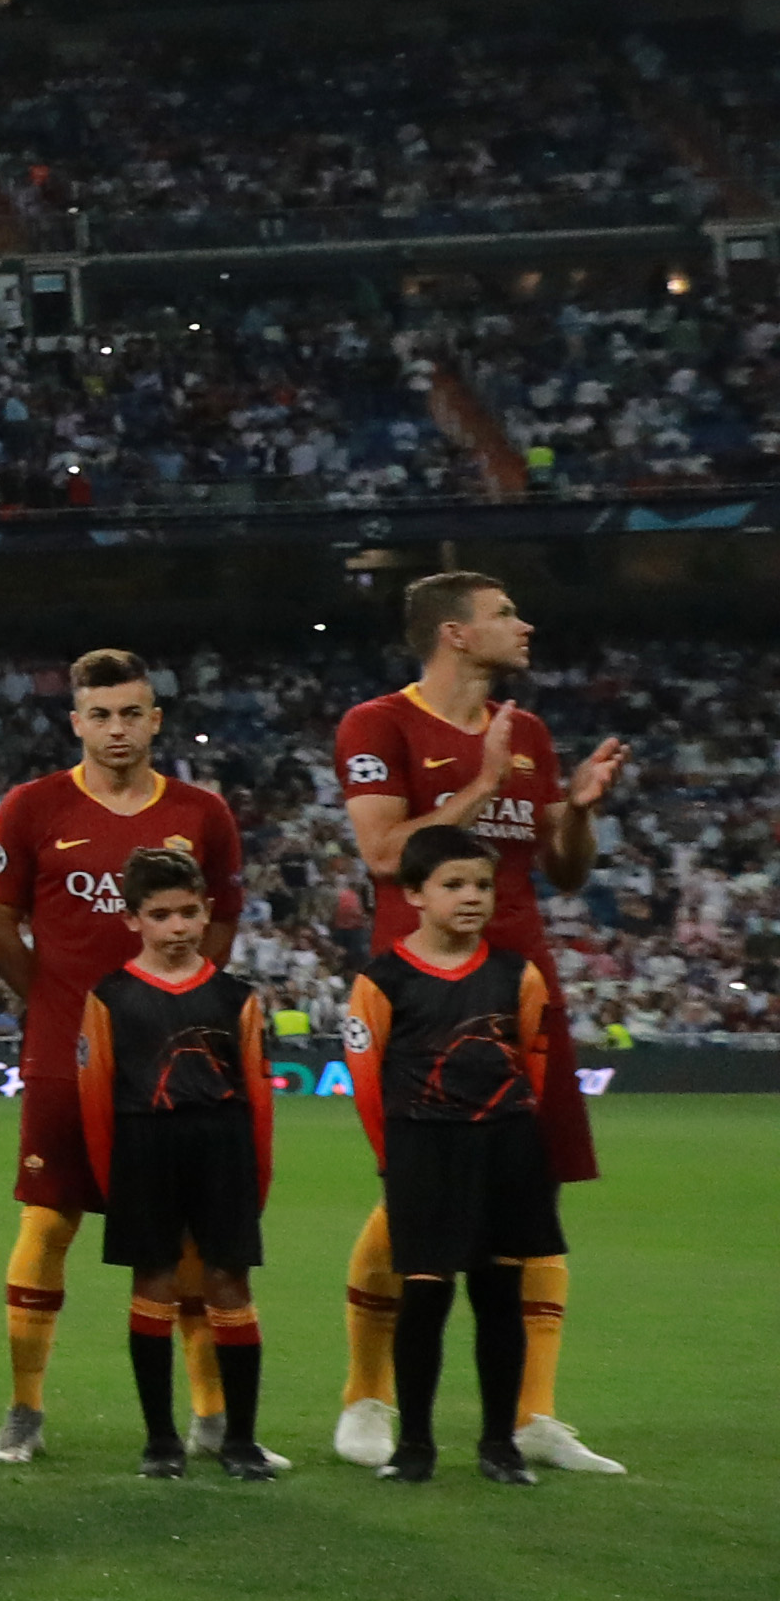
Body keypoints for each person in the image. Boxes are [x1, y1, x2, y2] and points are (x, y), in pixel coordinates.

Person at [329, 574, 623, 1476]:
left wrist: (571, 811)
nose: (524, 624)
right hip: (418, 989)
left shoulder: (527, 729)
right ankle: (367, 1399)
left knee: (536, 1188)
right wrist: (484, 782)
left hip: (520, 982)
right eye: (505, 615)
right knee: (410, 1195)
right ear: (455, 634)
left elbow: (563, 873)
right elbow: (384, 856)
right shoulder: (378, 725)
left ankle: (533, 1415)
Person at [0, 645, 242, 1470]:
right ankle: (24, 1410)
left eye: (132, 713)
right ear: (75, 722)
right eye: (101, 715)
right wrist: (61, 1007)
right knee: (48, 1220)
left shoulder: (202, 812)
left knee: (191, 1241)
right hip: (65, 1051)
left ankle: (210, 1418)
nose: (117, 729)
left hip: (176, 1055)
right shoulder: (30, 808)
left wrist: (178, 1000)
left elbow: (219, 922)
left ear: (156, 719)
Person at [344, 827, 561, 1485]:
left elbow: (536, 1068)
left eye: (483, 886)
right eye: (454, 885)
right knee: (426, 1300)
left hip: (506, 1148)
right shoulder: (381, 981)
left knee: (499, 1299)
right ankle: (415, 1448)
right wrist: (398, 1159)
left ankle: (500, 1446)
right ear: (414, 894)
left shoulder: (516, 975)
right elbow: (367, 1082)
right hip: (423, 1151)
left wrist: (512, 1133)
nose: (471, 898)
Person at [80, 842, 281, 1482]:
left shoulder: (235, 997)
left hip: (222, 1144)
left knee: (229, 1285)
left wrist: (258, 1179)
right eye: (160, 915)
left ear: (206, 913)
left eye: (187, 914)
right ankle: (161, 1439)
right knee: (154, 1286)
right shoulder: (109, 997)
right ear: (132, 919)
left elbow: (257, 1096)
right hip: (145, 1144)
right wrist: (116, 1181)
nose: (176, 928)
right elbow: (96, 1098)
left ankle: (241, 1441)